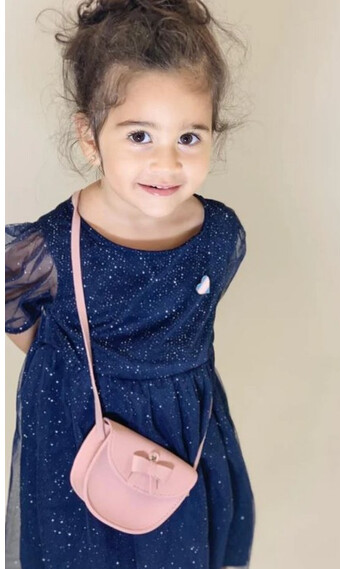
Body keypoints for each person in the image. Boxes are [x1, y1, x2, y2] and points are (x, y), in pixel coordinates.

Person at [5, 1, 255, 568]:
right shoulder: (49, 244)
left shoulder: (220, 235)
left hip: (184, 428)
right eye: (140, 135)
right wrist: (82, 370)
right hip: (76, 425)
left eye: (189, 137)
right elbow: (21, 319)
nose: (166, 163)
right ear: (90, 137)